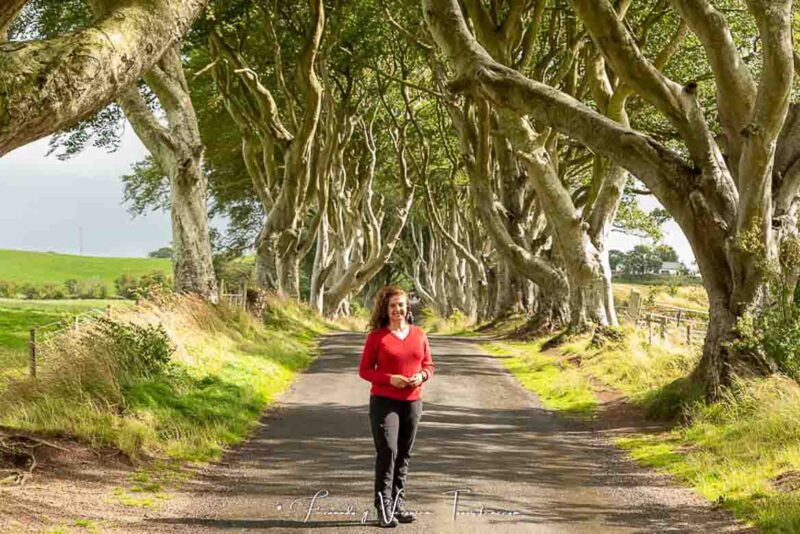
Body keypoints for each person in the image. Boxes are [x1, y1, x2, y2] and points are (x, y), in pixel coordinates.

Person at [358, 285, 435, 528]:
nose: (397, 309)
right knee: (388, 450)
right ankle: (383, 507)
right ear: (385, 308)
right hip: (384, 401)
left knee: (403, 453)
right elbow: (364, 370)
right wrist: (389, 379)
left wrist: (421, 376)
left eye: (401, 305)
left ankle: (399, 505)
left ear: (407, 306)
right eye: (392, 306)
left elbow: (429, 365)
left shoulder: (419, 334)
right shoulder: (376, 338)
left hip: (412, 401)